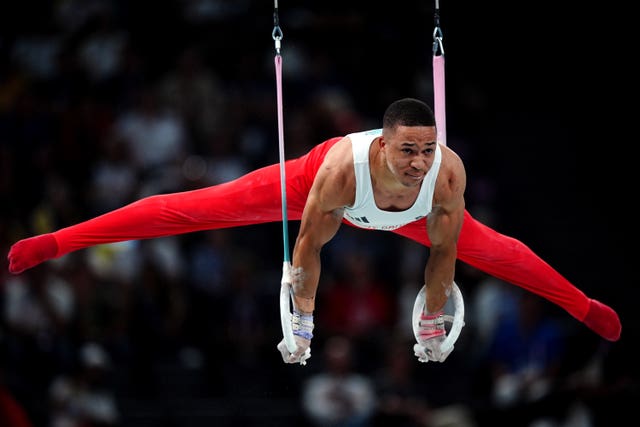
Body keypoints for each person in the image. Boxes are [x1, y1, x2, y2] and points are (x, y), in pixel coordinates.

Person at [6, 98, 621, 365]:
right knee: (187, 209)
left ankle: (584, 305)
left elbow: (444, 257)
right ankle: (56, 242)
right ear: (382, 145)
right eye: (407, 151)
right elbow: (308, 249)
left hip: (412, 217)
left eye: (426, 152)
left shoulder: (444, 174)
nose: (417, 163)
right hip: (310, 192)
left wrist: (436, 315)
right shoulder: (337, 171)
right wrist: (300, 321)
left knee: (505, 255)